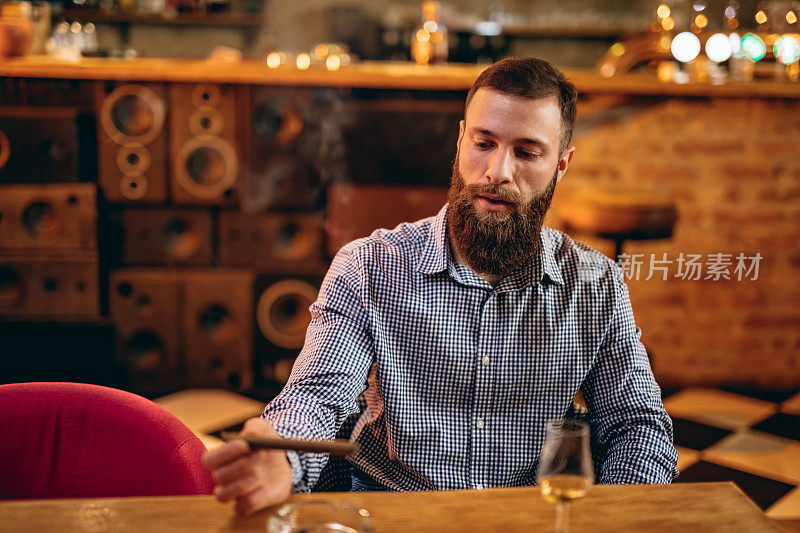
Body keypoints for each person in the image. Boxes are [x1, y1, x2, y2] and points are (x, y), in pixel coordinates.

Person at [203, 56, 679, 515]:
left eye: (527, 152)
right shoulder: (369, 266)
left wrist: (612, 514)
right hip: (390, 509)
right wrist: (280, 457)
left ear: (561, 163)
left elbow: (638, 426)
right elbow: (316, 398)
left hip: (525, 517)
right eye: (484, 143)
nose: (498, 172)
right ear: (460, 141)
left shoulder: (596, 285)